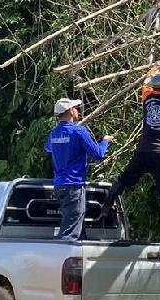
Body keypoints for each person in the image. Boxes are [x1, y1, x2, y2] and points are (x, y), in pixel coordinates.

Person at [103, 63, 160, 242]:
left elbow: (146, 82)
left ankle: (106, 206)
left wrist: (155, 69)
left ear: (154, 86)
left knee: (124, 179)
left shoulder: (146, 98)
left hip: (144, 151)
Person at [45, 98, 113, 240]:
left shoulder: (54, 133)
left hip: (59, 186)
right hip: (73, 186)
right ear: (70, 111)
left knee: (76, 225)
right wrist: (105, 141)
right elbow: (98, 154)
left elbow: (49, 149)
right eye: (75, 108)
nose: (77, 111)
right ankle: (62, 252)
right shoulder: (78, 131)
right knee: (70, 233)